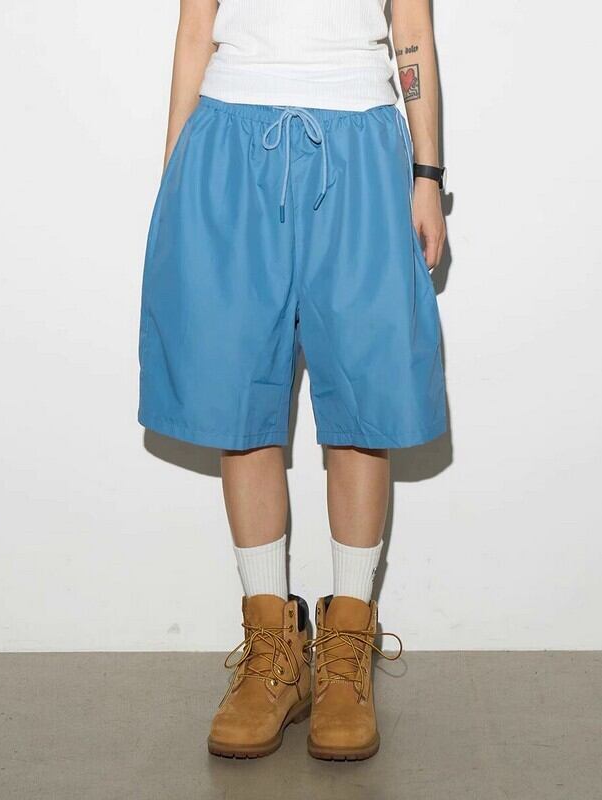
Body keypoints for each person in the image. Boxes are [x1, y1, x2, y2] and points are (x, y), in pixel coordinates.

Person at [138, 0, 447, 761]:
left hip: (361, 140)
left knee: (365, 399)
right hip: (230, 138)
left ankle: (345, 649)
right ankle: (272, 650)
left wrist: (427, 174)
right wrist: (176, 173)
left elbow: (411, 30)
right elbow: (195, 27)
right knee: (238, 400)